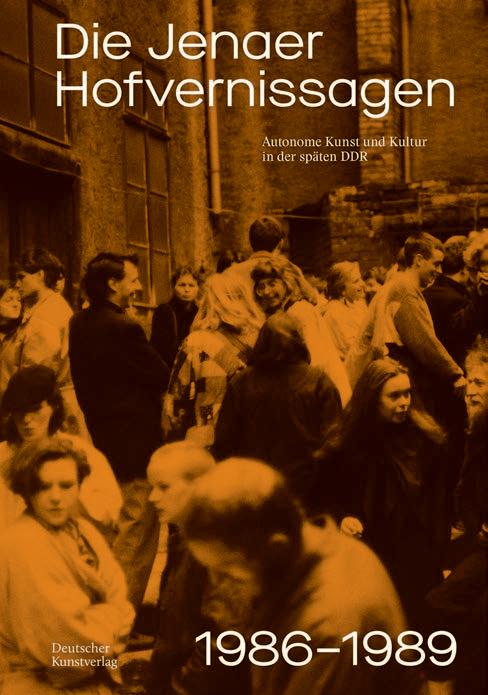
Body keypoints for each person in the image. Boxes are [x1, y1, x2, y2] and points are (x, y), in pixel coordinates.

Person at [177, 458, 422, 695]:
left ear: (276, 546)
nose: (216, 583)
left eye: (225, 569)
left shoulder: (329, 627)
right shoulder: (327, 547)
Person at [69, 252, 170, 606]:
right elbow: (161, 374)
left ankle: (101, 605)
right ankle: (118, 618)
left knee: (113, 530)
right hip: (137, 444)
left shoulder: (78, 323)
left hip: (103, 438)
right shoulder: (124, 327)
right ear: (113, 284)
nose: (138, 286)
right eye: (133, 280)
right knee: (137, 530)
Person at [0, 436, 134, 694]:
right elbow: (58, 647)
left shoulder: (82, 530)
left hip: (90, 682)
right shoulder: (22, 544)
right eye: (43, 487)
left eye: (66, 485)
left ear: (79, 485)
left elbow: (122, 601)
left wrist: (98, 622)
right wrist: (109, 627)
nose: (55, 497)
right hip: (41, 686)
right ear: (26, 490)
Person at [323, 359, 449, 624]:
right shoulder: (348, 444)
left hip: (414, 551)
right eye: (394, 396)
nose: (404, 403)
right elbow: (326, 495)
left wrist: (438, 547)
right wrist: (342, 518)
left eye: (407, 394)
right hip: (369, 549)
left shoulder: (425, 439)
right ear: (373, 399)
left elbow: (438, 501)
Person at [145, 441, 250, 695]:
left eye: (164, 487)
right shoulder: (184, 541)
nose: (152, 497)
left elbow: (225, 642)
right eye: (152, 487)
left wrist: (178, 688)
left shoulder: (218, 551)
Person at [214, 312, 341, 516]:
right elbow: (333, 442)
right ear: (299, 342)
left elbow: (224, 443)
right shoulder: (318, 381)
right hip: (305, 491)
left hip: (254, 490)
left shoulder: (242, 383)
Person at [346, 233, 465, 410]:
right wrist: (454, 374)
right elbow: (423, 341)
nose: (439, 271)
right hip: (399, 375)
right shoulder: (405, 290)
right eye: (436, 264)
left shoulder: (396, 285)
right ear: (419, 260)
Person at [0, 365, 122, 536]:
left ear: (54, 406)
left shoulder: (80, 452)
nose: (26, 419)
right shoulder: (2, 455)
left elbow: (109, 516)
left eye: (35, 409)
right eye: (19, 411)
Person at [164, 271, 264, 447]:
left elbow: (176, 403)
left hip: (209, 443)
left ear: (209, 302)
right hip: (254, 441)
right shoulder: (263, 338)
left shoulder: (196, 342)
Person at [2, 249, 85, 434]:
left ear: (40, 274)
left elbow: (35, 377)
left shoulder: (47, 315)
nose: (17, 284)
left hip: (42, 412)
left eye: (22, 277)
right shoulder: (44, 307)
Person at [251, 256, 351, 405]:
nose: (266, 291)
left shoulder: (299, 312)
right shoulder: (286, 311)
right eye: (261, 286)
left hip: (326, 395)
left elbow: (316, 361)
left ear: (287, 284)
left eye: (272, 284)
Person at [150, 266, 199, 370]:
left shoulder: (200, 313)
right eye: (182, 285)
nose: (187, 290)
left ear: (198, 288)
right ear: (173, 287)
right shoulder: (164, 311)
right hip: (168, 369)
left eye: (191, 285)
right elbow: (159, 349)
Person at [324, 261, 367, 361]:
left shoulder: (356, 305)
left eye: (361, 279)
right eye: (356, 281)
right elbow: (352, 350)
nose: (363, 284)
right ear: (341, 289)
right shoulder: (335, 312)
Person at [0, 281, 22, 404]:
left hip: (13, 404)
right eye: (9, 300)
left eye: (19, 300)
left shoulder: (23, 332)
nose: (16, 304)